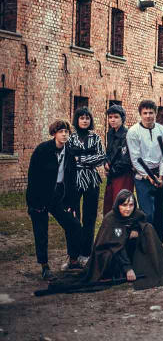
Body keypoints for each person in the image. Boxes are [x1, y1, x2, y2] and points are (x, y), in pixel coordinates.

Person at [80, 189, 163, 290]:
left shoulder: (134, 213)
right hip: (108, 255)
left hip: (124, 250)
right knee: (111, 253)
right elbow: (117, 246)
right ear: (118, 205)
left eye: (131, 205)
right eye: (124, 205)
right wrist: (128, 269)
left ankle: (155, 263)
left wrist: (135, 228)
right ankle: (121, 273)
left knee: (147, 228)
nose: (128, 209)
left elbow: (141, 217)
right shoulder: (110, 220)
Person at [26, 119, 83, 280]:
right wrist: (33, 203)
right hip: (40, 196)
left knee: (73, 225)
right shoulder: (42, 150)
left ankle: (73, 259)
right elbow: (33, 177)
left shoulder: (69, 153)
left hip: (59, 196)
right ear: (54, 133)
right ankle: (45, 267)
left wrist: (71, 203)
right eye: (61, 132)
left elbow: (72, 180)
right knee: (41, 231)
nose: (64, 134)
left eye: (66, 132)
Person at [68, 107, 106, 263]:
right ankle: (73, 254)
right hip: (74, 181)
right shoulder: (70, 138)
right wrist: (88, 157)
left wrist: (80, 159)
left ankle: (86, 254)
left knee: (89, 218)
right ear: (77, 120)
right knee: (73, 217)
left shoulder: (95, 138)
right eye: (81, 118)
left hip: (91, 180)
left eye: (87, 118)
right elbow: (69, 158)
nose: (84, 121)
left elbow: (101, 157)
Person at [126, 100, 163, 243]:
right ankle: (146, 244)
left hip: (159, 173)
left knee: (161, 213)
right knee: (147, 213)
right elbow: (135, 158)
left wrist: (161, 176)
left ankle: (158, 245)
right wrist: (148, 176)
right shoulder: (133, 132)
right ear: (140, 114)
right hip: (143, 176)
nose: (148, 116)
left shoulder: (162, 130)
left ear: (155, 113)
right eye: (145, 113)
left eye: (151, 113)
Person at [103, 105, 133, 215]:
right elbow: (108, 152)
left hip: (123, 174)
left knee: (122, 202)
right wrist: (106, 163)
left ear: (122, 118)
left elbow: (126, 159)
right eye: (110, 117)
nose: (112, 120)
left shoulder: (127, 135)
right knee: (109, 203)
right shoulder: (110, 133)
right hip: (112, 173)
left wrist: (113, 170)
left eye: (116, 117)